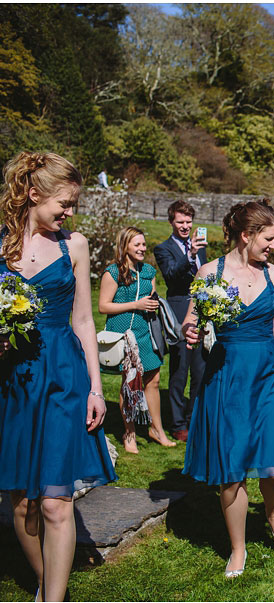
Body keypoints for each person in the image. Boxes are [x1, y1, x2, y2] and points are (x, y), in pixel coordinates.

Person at [181, 200, 274, 577]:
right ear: (246, 236)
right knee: (231, 469)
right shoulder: (208, 274)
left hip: (268, 375)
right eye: (269, 239)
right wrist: (191, 329)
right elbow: (192, 321)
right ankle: (238, 548)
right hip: (227, 378)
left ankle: (273, 511)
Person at [0, 151, 117, 602]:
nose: (70, 213)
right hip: (14, 379)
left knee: (54, 501)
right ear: (33, 195)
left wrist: (94, 387)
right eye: (64, 204)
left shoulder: (76, 246)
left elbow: (85, 320)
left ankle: (53, 598)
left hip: (64, 374)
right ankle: (46, 580)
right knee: (23, 503)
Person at [99, 227, 175, 453]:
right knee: (130, 383)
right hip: (123, 334)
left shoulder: (149, 271)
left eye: (143, 244)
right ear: (125, 246)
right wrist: (135, 305)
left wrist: (153, 305)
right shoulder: (113, 273)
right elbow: (103, 306)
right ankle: (129, 432)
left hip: (145, 332)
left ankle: (157, 429)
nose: (142, 248)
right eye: (137, 245)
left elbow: (151, 299)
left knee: (153, 380)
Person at [153, 200, 207, 442]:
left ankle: (194, 418)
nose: (185, 226)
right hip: (177, 308)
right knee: (179, 369)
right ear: (171, 222)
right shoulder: (163, 248)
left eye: (188, 222)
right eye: (180, 222)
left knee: (200, 368)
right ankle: (177, 423)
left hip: (201, 308)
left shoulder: (200, 245)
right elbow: (171, 276)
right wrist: (191, 254)